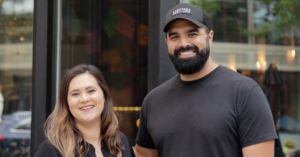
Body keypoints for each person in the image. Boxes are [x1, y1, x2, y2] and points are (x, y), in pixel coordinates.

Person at [135, 3, 277, 157]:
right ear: (167, 42)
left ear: (210, 37)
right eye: (174, 36)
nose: (183, 43)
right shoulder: (153, 101)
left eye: (192, 34)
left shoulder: (245, 93)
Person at [34, 64, 135, 157]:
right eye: (75, 94)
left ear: (104, 95)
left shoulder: (121, 142)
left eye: (91, 91)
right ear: (66, 102)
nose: (84, 99)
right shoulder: (51, 150)